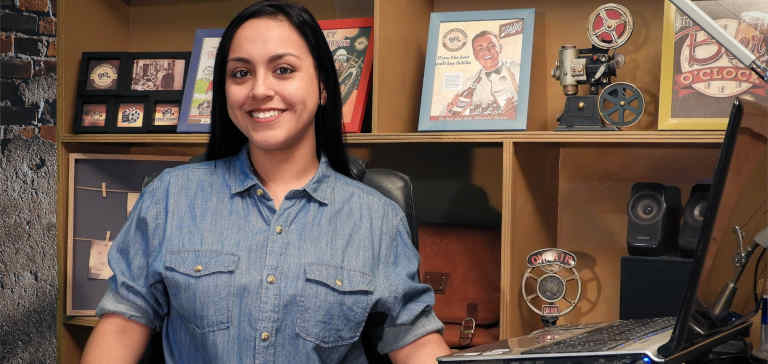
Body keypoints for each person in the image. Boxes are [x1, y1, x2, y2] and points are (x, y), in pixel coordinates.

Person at [80, 1, 451, 363]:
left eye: (284, 70)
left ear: (323, 86)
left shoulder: (376, 217)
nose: (259, 90)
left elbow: (415, 341)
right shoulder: (170, 196)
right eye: (241, 73)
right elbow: (123, 324)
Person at [445, 30, 520, 118]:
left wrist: (517, 110)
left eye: (491, 46)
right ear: (475, 55)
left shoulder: (517, 69)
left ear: (500, 48)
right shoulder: (469, 83)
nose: (487, 51)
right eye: (480, 48)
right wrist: (452, 111)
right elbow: (448, 114)